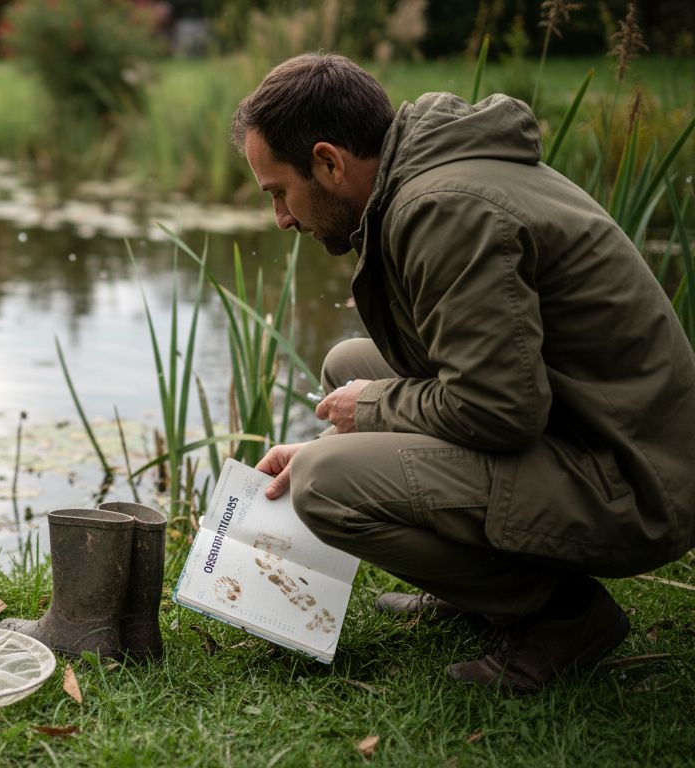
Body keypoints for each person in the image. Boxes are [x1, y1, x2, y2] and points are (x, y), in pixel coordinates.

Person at [232, 53, 695, 693]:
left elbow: (500, 410)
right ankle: (483, 590)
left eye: (280, 192)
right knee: (346, 367)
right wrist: (358, 411)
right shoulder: (426, 172)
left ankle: (562, 614)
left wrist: (367, 414)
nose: (282, 218)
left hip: (633, 478)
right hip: (582, 427)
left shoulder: (443, 208)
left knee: (323, 485)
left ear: (329, 162)